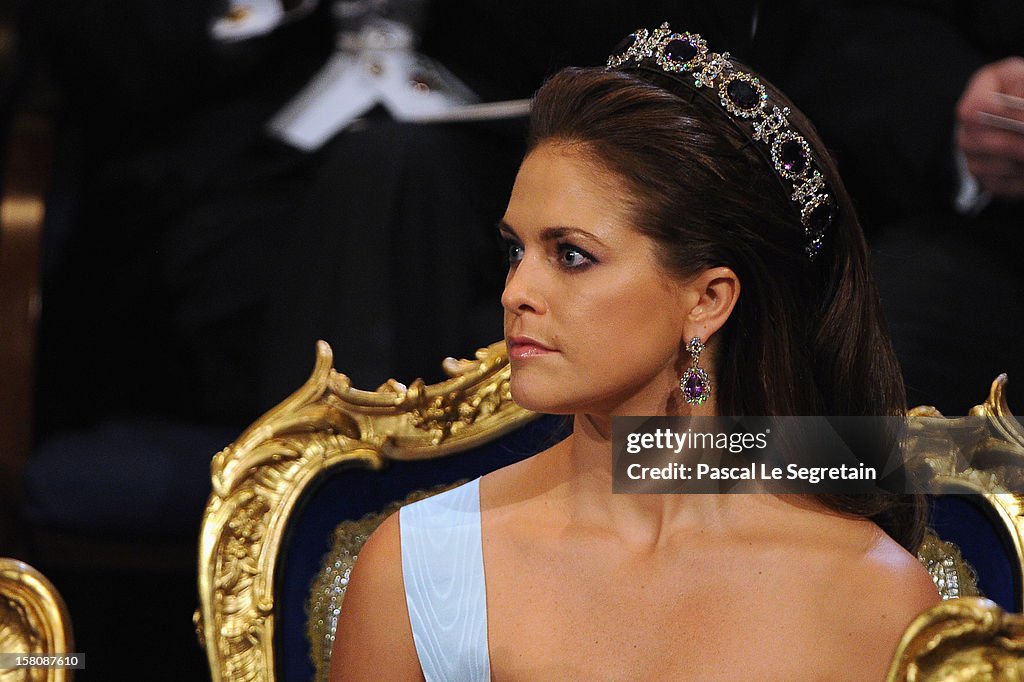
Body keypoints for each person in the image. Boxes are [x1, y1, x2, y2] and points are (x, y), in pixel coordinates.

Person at [329, 24, 940, 680]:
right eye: (515, 250)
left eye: (571, 255)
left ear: (707, 300)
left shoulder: (873, 598)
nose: (516, 291)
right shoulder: (420, 565)